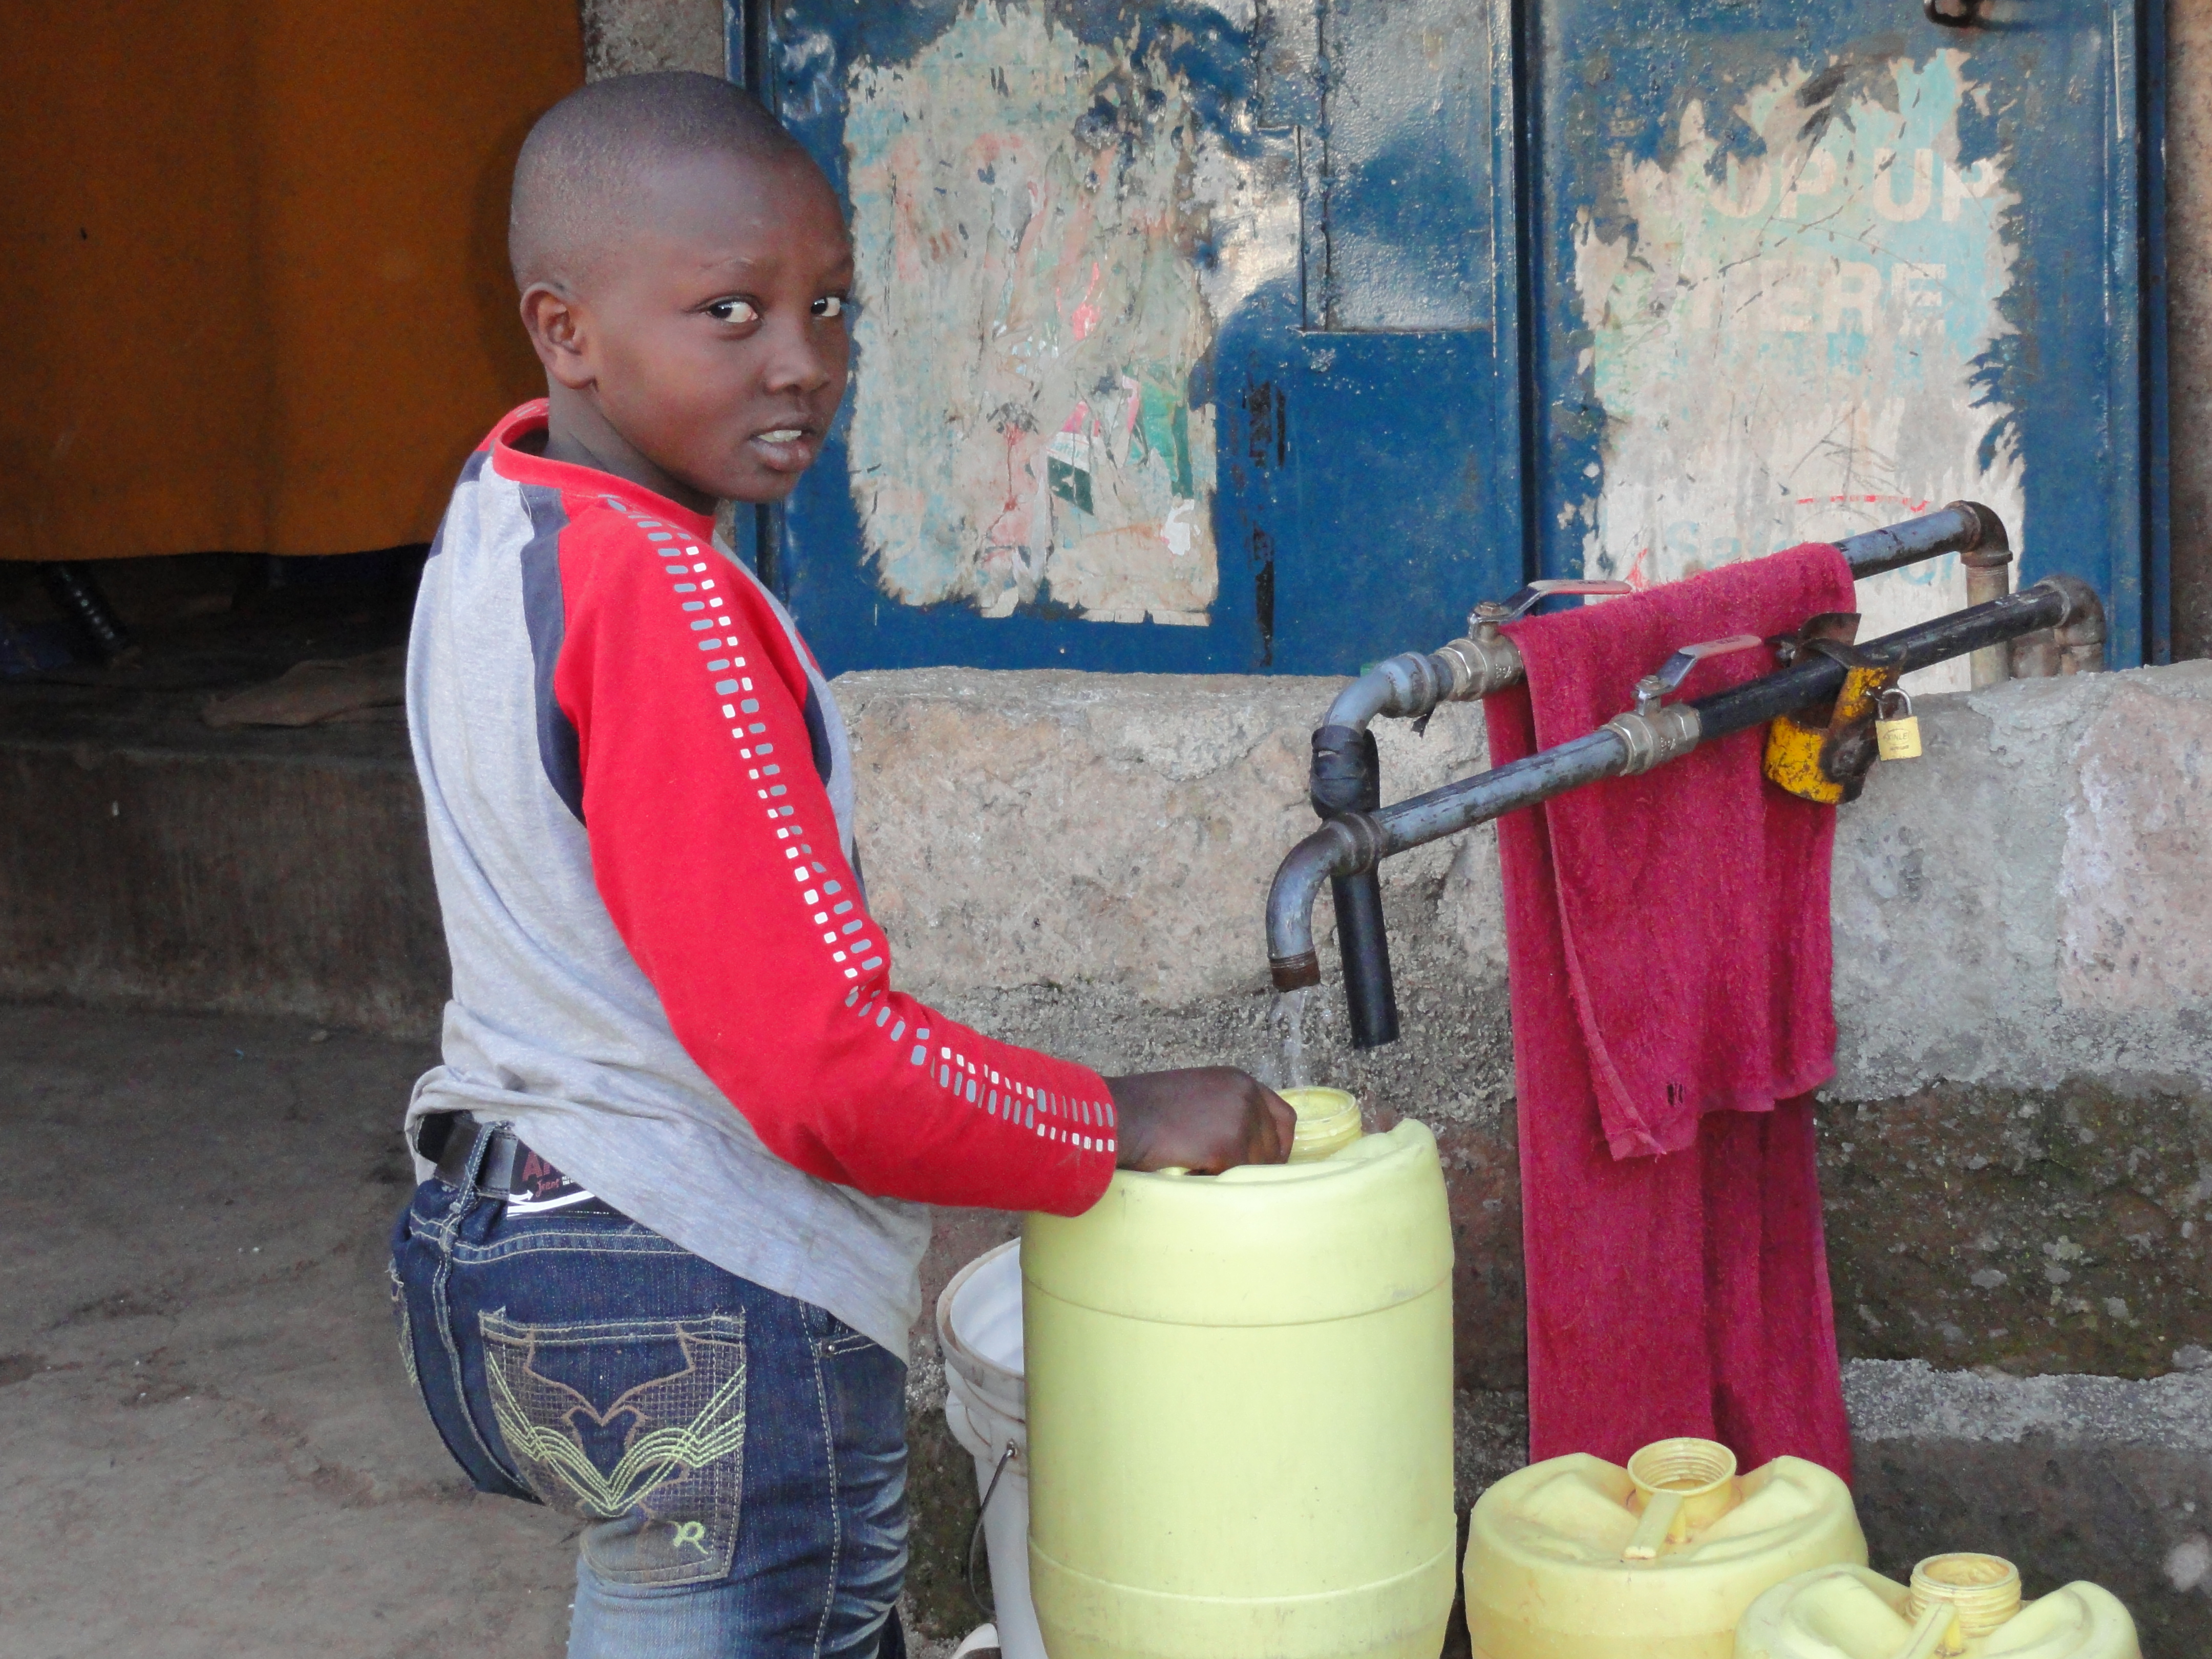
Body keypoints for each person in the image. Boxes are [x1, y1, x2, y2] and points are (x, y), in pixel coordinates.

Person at [386, 70, 1295, 1659]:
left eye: (830, 306)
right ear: (566, 331)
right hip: (690, 1279)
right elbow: (824, 1066)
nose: (802, 361)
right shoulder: (667, 605)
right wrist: (1115, 1119)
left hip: (498, 1248)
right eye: (729, 312)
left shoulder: (503, 521)